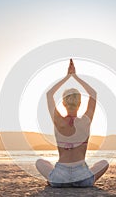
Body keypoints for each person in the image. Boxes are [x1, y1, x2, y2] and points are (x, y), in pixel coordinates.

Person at [35, 59, 109, 187]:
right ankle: (85, 181)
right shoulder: (85, 121)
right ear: (80, 103)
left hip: (60, 177)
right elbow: (93, 93)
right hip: (82, 177)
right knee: (104, 163)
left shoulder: (58, 120)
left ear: (63, 103)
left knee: (40, 162)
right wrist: (75, 76)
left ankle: (54, 181)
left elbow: (49, 94)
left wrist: (67, 77)